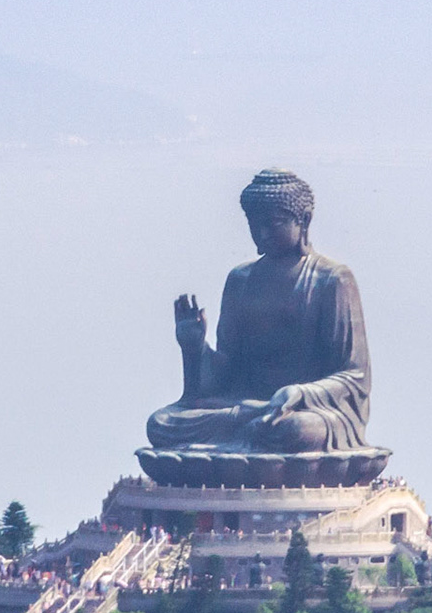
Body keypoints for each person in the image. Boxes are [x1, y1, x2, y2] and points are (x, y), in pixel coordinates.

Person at [146, 169, 373, 454]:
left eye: (273, 223)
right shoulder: (241, 279)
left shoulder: (332, 279)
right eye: (254, 224)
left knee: (295, 431)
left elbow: (353, 375)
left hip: (303, 410)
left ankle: (241, 445)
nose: (262, 233)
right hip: (245, 409)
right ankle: (247, 441)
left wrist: (300, 393)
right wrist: (194, 348)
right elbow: (224, 374)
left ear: (303, 220)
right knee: (161, 424)